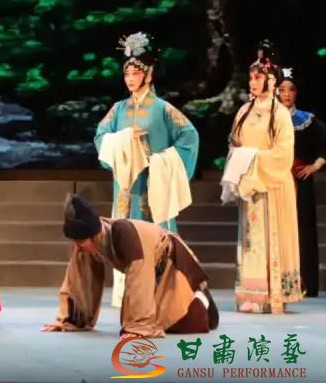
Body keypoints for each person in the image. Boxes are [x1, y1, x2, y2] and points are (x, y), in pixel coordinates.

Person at [93, 32, 199, 306]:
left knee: (155, 234)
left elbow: (189, 137)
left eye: (136, 73)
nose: (130, 78)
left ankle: (161, 291)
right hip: (127, 187)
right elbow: (101, 137)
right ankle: (128, 293)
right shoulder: (118, 109)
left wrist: (163, 161)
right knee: (125, 233)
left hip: (154, 183)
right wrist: (124, 139)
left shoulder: (163, 109)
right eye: (126, 73)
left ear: (148, 74)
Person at [42, 194, 219, 337]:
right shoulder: (88, 242)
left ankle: (201, 296)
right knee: (141, 319)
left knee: (178, 322)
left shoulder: (126, 236)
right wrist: (70, 319)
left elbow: (139, 280)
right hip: (154, 270)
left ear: (93, 235)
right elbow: (77, 279)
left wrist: (138, 326)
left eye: (81, 241)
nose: (77, 245)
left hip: (173, 263)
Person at [227, 42, 302, 313]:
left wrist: (253, 159)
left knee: (270, 238)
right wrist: (239, 157)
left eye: (257, 78)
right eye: (251, 78)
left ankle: (273, 294)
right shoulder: (244, 111)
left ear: (271, 81)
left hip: (272, 184)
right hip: (250, 184)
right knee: (250, 241)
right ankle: (251, 293)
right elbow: (234, 141)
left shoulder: (279, 114)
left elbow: (283, 153)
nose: (252, 82)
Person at [277, 67, 326, 297]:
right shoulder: (270, 119)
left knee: (303, 230)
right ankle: (279, 282)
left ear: (296, 93)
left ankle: (306, 283)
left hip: (300, 182)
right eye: (282, 89)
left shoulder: (307, 120)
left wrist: (314, 166)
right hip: (277, 181)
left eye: (291, 89)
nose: (287, 94)